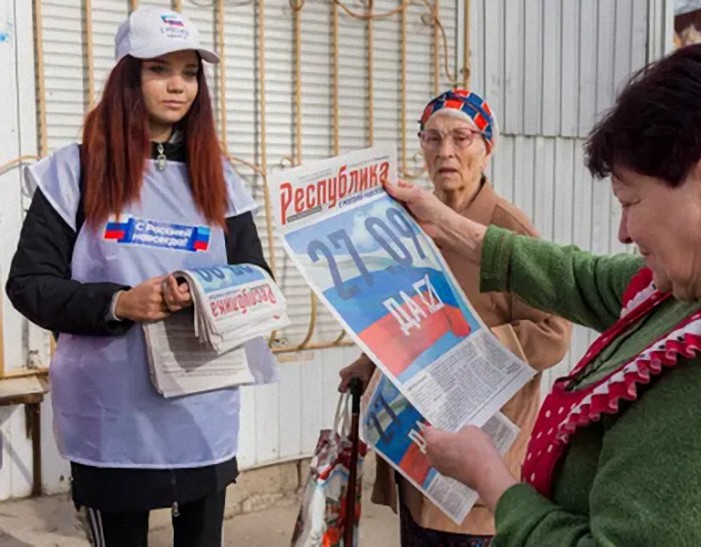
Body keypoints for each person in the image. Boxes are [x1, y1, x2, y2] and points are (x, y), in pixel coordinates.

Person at [385, 41, 701, 547]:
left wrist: (491, 477)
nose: (623, 232)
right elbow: (585, 279)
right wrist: (452, 227)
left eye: (630, 201)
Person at [6, 7, 274, 546]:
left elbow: (256, 279)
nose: (178, 86)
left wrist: (200, 294)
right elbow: (30, 283)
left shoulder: (220, 178)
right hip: (112, 415)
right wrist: (120, 303)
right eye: (159, 69)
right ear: (128, 76)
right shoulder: (73, 171)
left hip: (202, 409)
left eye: (190, 72)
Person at [338, 89, 572, 545]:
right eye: (433, 138)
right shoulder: (405, 223)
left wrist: (465, 347)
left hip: (481, 449)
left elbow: (553, 333)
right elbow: (399, 316)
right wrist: (367, 364)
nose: (446, 152)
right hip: (414, 445)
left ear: (488, 147)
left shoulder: (509, 230)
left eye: (462, 138)